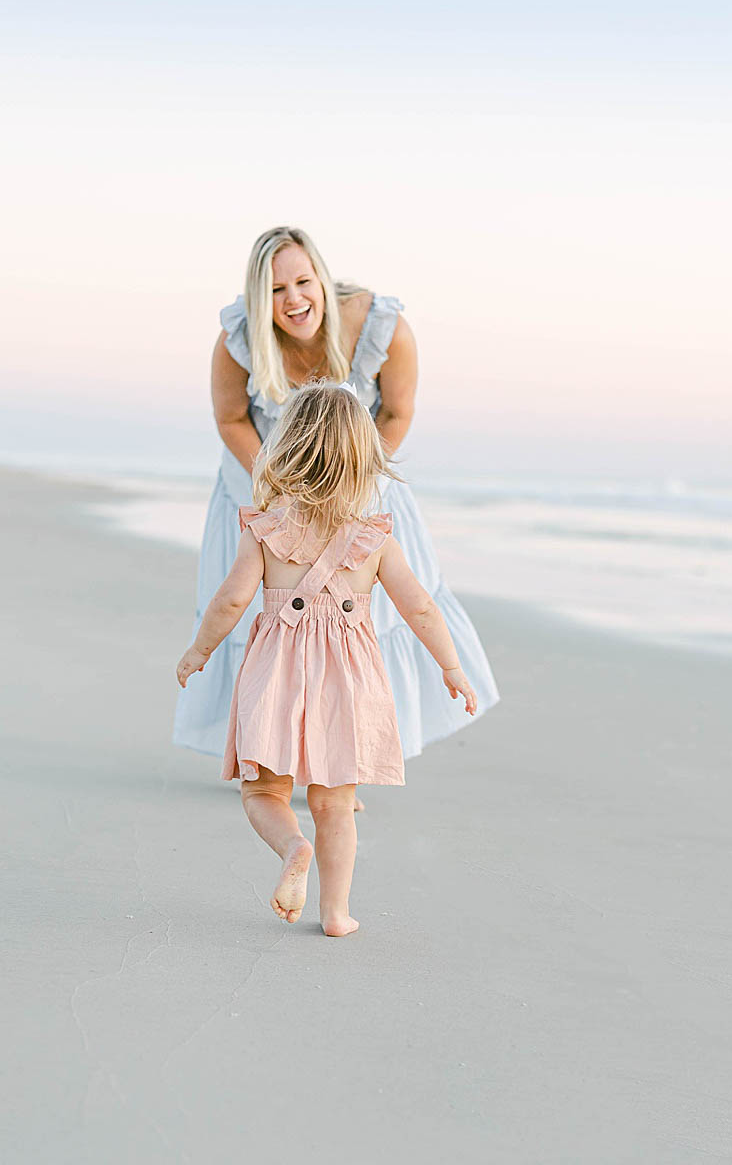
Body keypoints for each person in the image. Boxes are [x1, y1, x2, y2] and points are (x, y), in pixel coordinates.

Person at [172, 225, 499, 798]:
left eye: (303, 282)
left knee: (367, 617)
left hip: (359, 479)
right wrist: (278, 486)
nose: (294, 300)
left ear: (322, 278)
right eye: (276, 290)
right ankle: (269, 759)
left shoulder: (381, 327)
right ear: (258, 298)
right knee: (261, 610)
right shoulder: (237, 341)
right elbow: (230, 421)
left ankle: (345, 764)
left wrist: (351, 480)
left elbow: (396, 414)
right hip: (263, 483)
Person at [176, 384, 477, 937]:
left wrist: (200, 650)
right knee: (337, 803)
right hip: (349, 679)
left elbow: (233, 600)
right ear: (365, 459)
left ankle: (293, 847)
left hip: (277, 673)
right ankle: (335, 914)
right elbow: (421, 607)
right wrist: (452, 667)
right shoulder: (374, 537)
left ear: (285, 448)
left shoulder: (263, 529)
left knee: (264, 790)